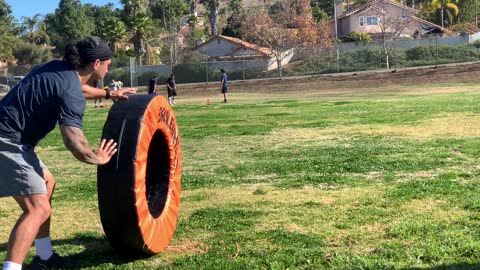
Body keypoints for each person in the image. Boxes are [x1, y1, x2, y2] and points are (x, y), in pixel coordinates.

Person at [0, 36, 136, 270]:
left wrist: (107, 94)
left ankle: (44, 257)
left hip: (12, 137)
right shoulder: (70, 91)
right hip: (7, 141)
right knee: (38, 208)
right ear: (96, 64)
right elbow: (74, 142)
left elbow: (77, 87)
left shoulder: (55, 68)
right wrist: (98, 157)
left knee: (47, 182)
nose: (108, 68)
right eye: (108, 63)